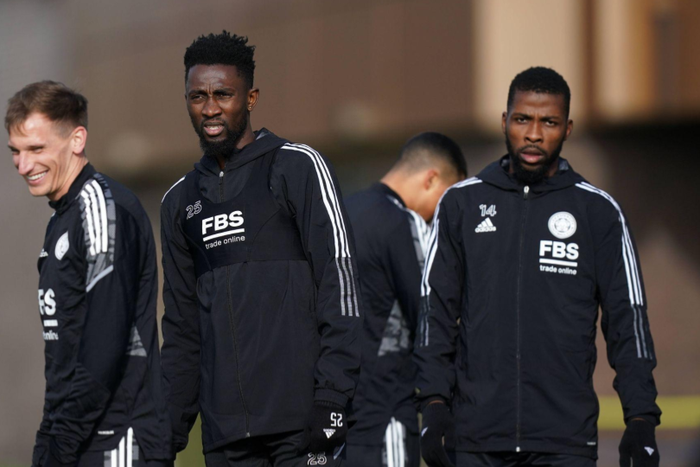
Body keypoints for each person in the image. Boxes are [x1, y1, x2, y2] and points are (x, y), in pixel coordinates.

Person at [414, 67, 661, 467]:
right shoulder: (462, 204)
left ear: (567, 129)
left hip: (564, 441)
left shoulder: (598, 212)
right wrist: (434, 402)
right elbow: (435, 311)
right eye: (522, 119)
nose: (533, 133)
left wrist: (640, 418)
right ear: (504, 122)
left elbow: (627, 322)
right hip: (477, 439)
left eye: (549, 122)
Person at [159, 32, 362, 466]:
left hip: (303, 425)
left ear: (250, 98)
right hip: (225, 437)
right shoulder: (178, 202)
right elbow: (181, 329)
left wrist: (332, 397)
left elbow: (340, 286)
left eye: (223, 94)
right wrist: (167, 434)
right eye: (197, 96)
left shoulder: (298, 166)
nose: (210, 108)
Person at [6, 81, 172, 467]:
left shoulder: (103, 208)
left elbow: (105, 343)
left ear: (77, 139)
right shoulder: (61, 219)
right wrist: (48, 438)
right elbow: (65, 350)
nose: (23, 165)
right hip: (76, 436)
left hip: (118, 438)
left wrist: (60, 443)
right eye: (15, 151)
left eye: (36, 149)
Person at [343, 132, 467, 467]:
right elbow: (432, 317)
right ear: (431, 178)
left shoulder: (340, 214)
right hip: (386, 418)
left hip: (334, 423)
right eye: (445, 198)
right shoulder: (404, 222)